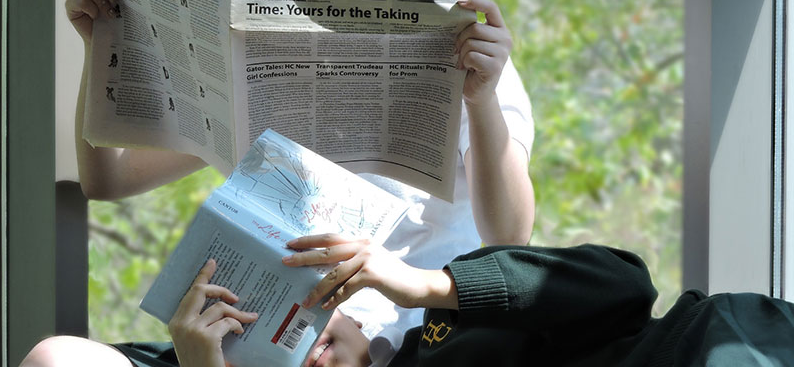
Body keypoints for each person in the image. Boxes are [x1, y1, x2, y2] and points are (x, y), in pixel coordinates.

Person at [23, 0, 533, 366]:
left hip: (389, 343)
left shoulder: (467, 56)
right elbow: (108, 179)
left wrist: (482, 99)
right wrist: (102, 40)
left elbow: (510, 235)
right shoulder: (261, 51)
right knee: (55, 358)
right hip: (255, 332)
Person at [167, 236, 794, 367]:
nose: (304, 353)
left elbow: (626, 284)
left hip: (713, 351)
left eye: (290, 315)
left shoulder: (451, 306)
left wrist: (434, 286)